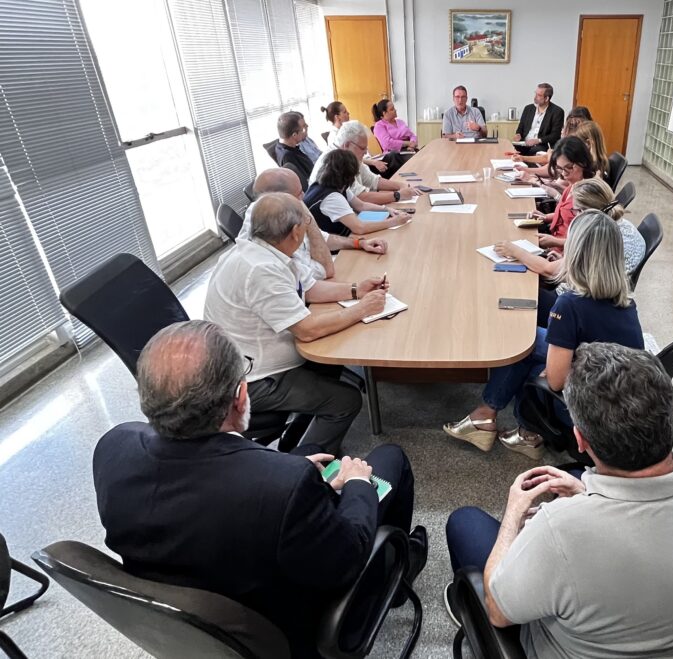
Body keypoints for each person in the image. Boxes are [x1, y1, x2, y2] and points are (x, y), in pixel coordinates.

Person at [94, 320, 426, 659]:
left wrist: (296, 477)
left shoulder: (113, 449)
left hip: (193, 623)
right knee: (390, 459)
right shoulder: (285, 485)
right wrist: (356, 484)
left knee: (301, 453)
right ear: (240, 396)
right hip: (283, 631)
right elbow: (347, 557)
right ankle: (392, 580)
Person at [444, 342, 673, 658]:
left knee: (465, 522)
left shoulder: (562, 530)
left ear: (579, 439)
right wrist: (586, 495)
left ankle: (469, 615)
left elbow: (498, 610)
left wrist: (514, 512)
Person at [443, 210, 643, 459]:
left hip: (588, 413)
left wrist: (552, 368)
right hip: (621, 406)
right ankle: (504, 424)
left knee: (520, 345)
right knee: (526, 340)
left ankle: (503, 424)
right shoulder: (625, 301)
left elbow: (557, 382)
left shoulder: (570, 305)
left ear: (575, 253)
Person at [204, 193, 390, 456]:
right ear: (294, 232)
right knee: (345, 401)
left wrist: (355, 290)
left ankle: (298, 436)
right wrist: (362, 309)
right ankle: (302, 467)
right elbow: (308, 329)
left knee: (328, 365)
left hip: (242, 361)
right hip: (252, 381)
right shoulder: (261, 270)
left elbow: (308, 290)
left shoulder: (258, 251)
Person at [495, 178, 644, 326]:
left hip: (581, 304)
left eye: (576, 210)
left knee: (517, 291)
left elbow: (548, 270)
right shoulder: (622, 226)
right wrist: (568, 260)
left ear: (587, 211)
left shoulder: (596, 234)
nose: (574, 216)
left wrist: (514, 250)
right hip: (604, 299)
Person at [239, 167, 387, 281]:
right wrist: (308, 217)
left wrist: (359, 243)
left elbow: (324, 239)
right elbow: (325, 270)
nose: (304, 197)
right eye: (298, 194)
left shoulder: (281, 209)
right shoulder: (273, 226)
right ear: (280, 198)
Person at [304, 149, 412, 236]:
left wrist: (387, 209)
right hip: (332, 249)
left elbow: (361, 205)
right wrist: (394, 221)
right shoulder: (331, 197)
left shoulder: (334, 185)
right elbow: (359, 228)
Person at [309, 121, 418, 205]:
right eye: (362, 148)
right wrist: (397, 195)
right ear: (347, 145)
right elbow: (360, 197)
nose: (366, 152)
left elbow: (372, 180)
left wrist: (402, 185)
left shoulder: (349, 155)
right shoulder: (333, 163)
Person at [524, 136, 596, 255]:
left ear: (583, 162)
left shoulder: (588, 195)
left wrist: (555, 242)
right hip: (555, 246)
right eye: (560, 168)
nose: (563, 173)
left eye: (568, 167)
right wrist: (545, 217)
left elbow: (586, 241)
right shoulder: (572, 185)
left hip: (567, 255)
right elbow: (565, 214)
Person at [512, 106, 592, 167]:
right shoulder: (567, 140)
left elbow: (551, 164)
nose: (563, 131)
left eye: (573, 125)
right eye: (569, 125)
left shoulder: (577, 147)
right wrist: (522, 158)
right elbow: (548, 159)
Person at [513, 83, 565, 156]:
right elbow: (521, 127)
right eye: (535, 94)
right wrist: (518, 134)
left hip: (542, 144)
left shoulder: (557, 112)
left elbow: (555, 135)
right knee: (511, 149)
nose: (535, 97)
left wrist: (538, 141)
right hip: (524, 143)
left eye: (539, 95)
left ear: (546, 98)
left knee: (533, 151)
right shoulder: (528, 109)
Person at [274, 111, 315, 187]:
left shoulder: (285, 147)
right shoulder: (288, 157)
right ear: (294, 135)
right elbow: (305, 183)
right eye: (303, 128)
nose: (305, 130)